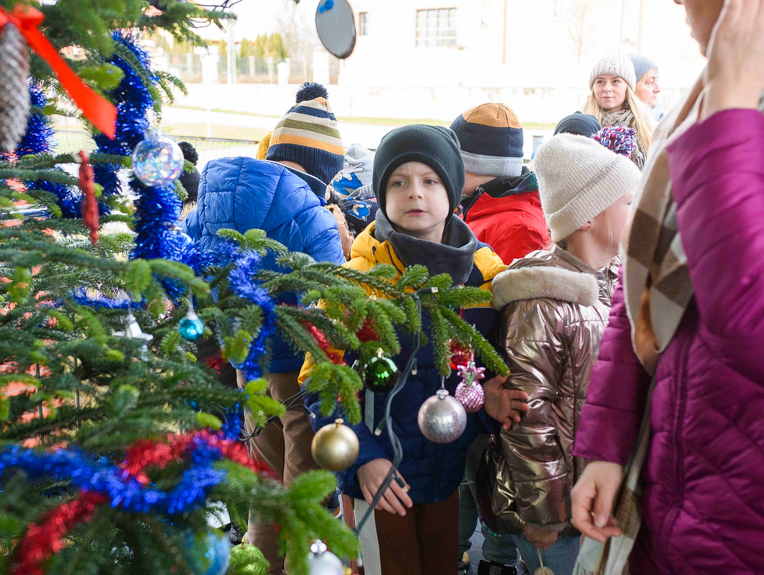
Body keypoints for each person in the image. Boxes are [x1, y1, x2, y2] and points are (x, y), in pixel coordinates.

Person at [571, 1, 764, 573]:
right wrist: (608, 444)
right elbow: (643, 298)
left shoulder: (720, 109)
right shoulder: (697, 109)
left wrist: (729, 117)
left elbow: (749, 326)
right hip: (666, 493)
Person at [302, 125, 529, 575]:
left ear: (452, 190)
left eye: (429, 180)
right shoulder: (356, 283)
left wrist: (489, 406)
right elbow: (319, 379)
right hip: (377, 482)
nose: (414, 193)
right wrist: (364, 457)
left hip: (444, 479)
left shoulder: (483, 280)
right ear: (381, 195)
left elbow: (472, 375)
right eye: (398, 182)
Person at [185, 82, 347, 574]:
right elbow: (330, 305)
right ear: (324, 170)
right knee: (303, 489)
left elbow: (189, 276)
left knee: (264, 487)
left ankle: (257, 564)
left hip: (244, 364)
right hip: (295, 373)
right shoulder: (312, 217)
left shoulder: (213, 196)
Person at [487, 134, 639, 574]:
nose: (636, 211)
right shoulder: (541, 299)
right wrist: (544, 512)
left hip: (602, 490)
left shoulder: (616, 280)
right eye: (626, 202)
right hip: (561, 511)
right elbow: (527, 417)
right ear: (588, 217)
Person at [450, 103, 551, 265]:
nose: (448, 171)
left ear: (477, 166)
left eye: (453, 163)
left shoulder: (520, 230)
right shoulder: (477, 204)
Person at [582, 47, 653, 169]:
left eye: (615, 81)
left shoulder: (646, 126)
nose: (607, 88)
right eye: (600, 81)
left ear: (628, 87)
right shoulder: (580, 124)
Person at [629, 53, 664, 121]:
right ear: (630, 87)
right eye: (650, 82)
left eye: (656, 81)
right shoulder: (617, 128)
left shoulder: (660, 120)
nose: (657, 89)